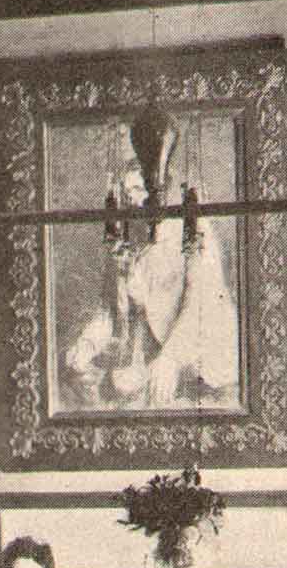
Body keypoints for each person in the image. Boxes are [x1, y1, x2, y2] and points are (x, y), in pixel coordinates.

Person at [63, 108, 241, 410]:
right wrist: (87, 343)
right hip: (151, 355)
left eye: (139, 190)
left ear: (160, 190)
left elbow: (202, 301)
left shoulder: (192, 228)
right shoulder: (123, 239)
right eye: (128, 193)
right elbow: (111, 309)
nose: (134, 200)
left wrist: (171, 358)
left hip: (203, 360)